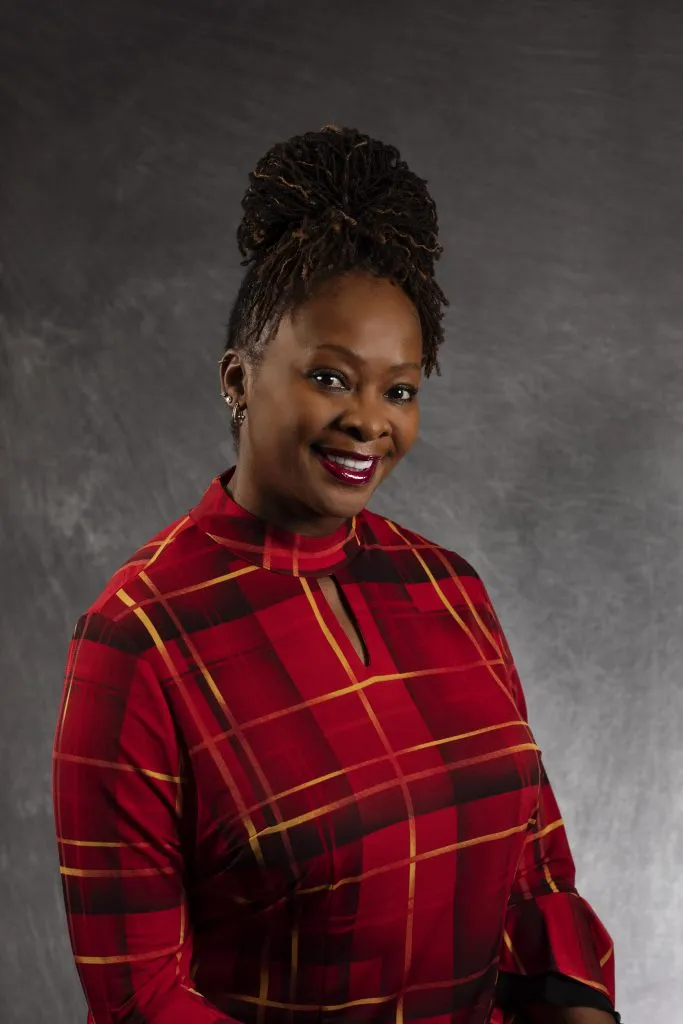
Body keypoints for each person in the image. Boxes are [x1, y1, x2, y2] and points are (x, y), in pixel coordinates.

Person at [52, 125, 620, 1024]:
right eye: (330, 377)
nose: (369, 421)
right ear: (238, 379)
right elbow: (142, 1000)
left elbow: (534, 870)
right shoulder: (137, 641)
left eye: (399, 390)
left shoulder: (449, 588)